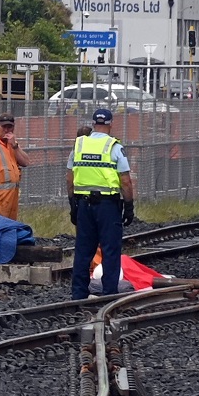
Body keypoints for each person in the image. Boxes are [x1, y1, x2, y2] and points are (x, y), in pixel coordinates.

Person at [68, 108, 135, 300]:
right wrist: (129, 206)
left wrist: (72, 203)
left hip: (83, 204)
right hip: (107, 206)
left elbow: (69, 177)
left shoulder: (80, 144)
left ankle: (78, 295)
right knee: (110, 251)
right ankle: (109, 295)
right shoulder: (113, 146)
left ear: (93, 123)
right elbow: (125, 180)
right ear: (110, 124)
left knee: (83, 251)